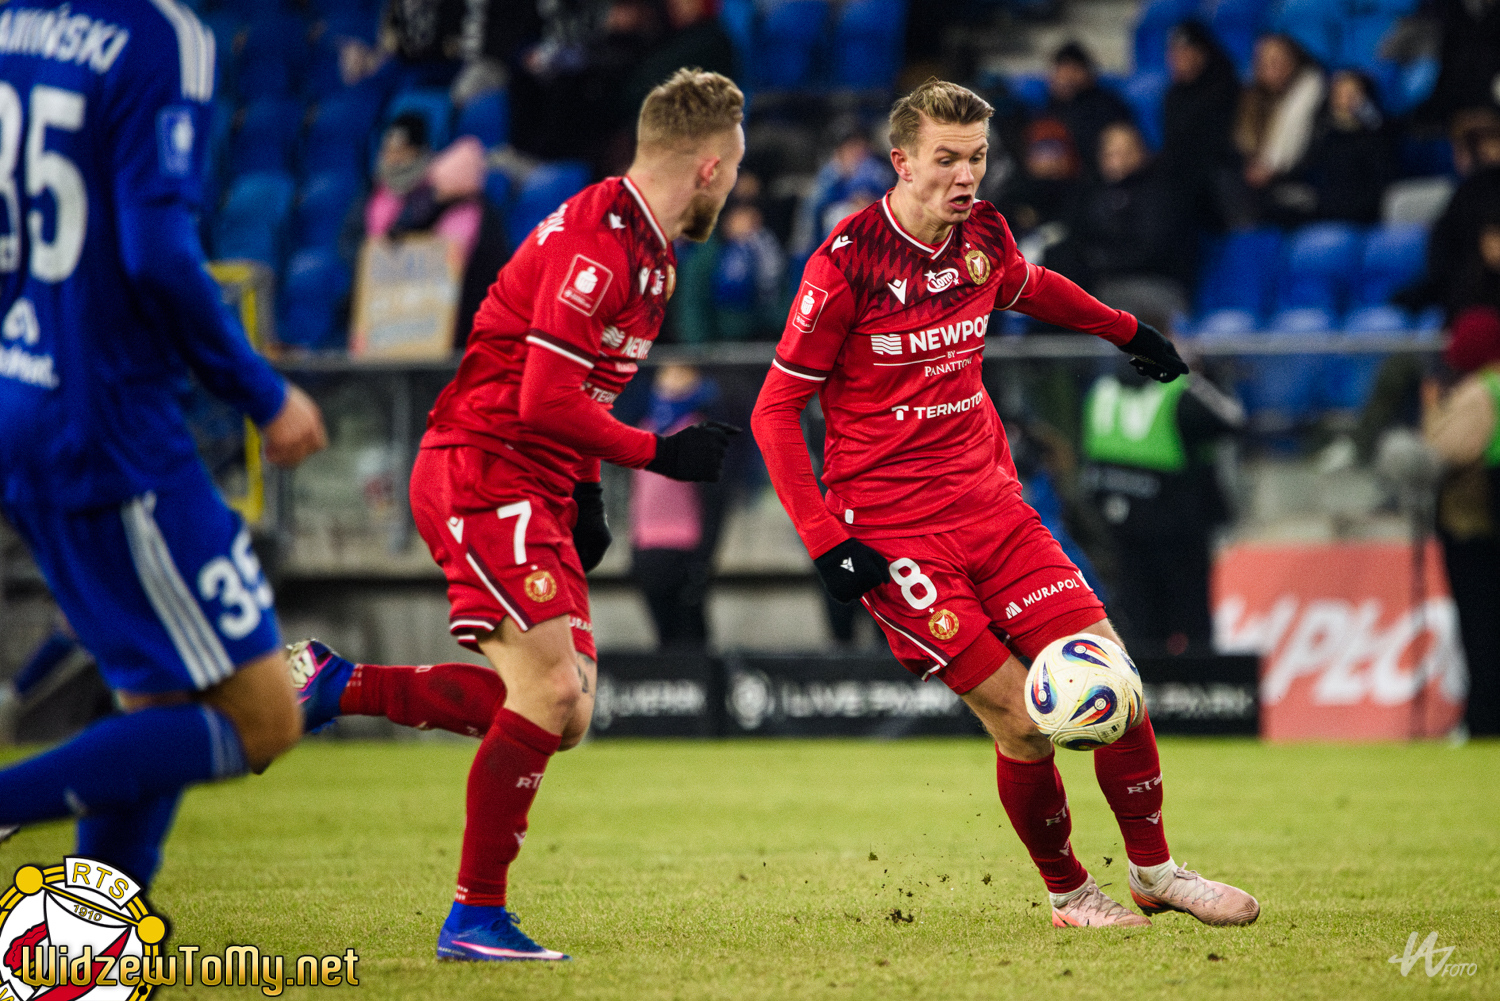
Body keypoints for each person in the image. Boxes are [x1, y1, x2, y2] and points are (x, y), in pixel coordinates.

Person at [750, 78, 1259, 929]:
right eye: (946, 159)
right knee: (1023, 721)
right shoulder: (846, 264)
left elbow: (1031, 285)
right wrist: (824, 540)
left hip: (993, 506)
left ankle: (1155, 871)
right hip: (897, 534)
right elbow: (774, 408)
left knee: (1116, 681)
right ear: (901, 161)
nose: (965, 176)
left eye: (978, 157)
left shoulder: (984, 233)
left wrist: (1127, 332)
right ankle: (1070, 892)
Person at [287, 69, 746, 961]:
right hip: (483, 465)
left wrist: (585, 493)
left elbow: (585, 389)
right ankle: (474, 917)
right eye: (731, 167)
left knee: (565, 712)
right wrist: (658, 453)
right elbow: (541, 398)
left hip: (535, 480)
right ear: (707, 167)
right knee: (552, 692)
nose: (732, 183)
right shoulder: (599, 245)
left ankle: (337, 685)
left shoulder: (652, 256)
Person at [0, 0, 328, 880]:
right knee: (265, 718)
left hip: (23, 397)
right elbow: (158, 253)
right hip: (112, 425)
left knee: (158, 699)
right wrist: (262, 392)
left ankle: (82, 947)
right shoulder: (159, 35)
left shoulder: (13, 25)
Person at [1080, 362, 1244, 655]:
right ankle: (1195, 684)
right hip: (1178, 533)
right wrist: (1196, 375)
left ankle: (1142, 684)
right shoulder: (1178, 389)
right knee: (1194, 631)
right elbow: (1233, 419)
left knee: (1139, 630)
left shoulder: (1100, 391)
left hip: (1121, 529)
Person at [1423, 306, 1500, 737]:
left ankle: (1484, 718)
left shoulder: (1478, 392)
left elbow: (1442, 453)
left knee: (1480, 627)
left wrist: (1433, 411)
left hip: (1472, 524)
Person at [630, 365, 728, 648]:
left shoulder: (701, 433)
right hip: (648, 548)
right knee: (664, 636)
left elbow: (714, 501)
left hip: (685, 548)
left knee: (691, 635)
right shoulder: (643, 430)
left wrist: (703, 557)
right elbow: (638, 496)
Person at [1266, 69, 1396, 226]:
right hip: (1321, 209)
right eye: (1339, 94)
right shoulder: (1325, 134)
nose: (1344, 100)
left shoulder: (1377, 138)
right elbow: (1305, 171)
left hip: (1357, 214)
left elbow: (1382, 186)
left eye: (1352, 94)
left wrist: (1369, 118)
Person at [1159, 21, 1242, 233]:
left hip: (1218, 181)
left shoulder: (1226, 90)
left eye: (1184, 51)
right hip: (1182, 181)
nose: (1176, 58)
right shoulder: (1173, 95)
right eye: (1173, 52)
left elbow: (1220, 147)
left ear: (1202, 53)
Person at [1234, 34, 1325, 211]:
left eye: (1276, 61)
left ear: (1294, 61)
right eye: (1263, 62)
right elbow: (1242, 150)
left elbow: (1313, 156)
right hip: (1259, 187)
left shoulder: (1315, 101)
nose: (1270, 69)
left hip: (1302, 185)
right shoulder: (1250, 101)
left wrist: (1273, 171)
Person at [1043, 41, 1133, 182]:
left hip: (1097, 180)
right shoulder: (1047, 109)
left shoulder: (1106, 105)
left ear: (1088, 73)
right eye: (1061, 70)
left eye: (1073, 70)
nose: (1066, 78)